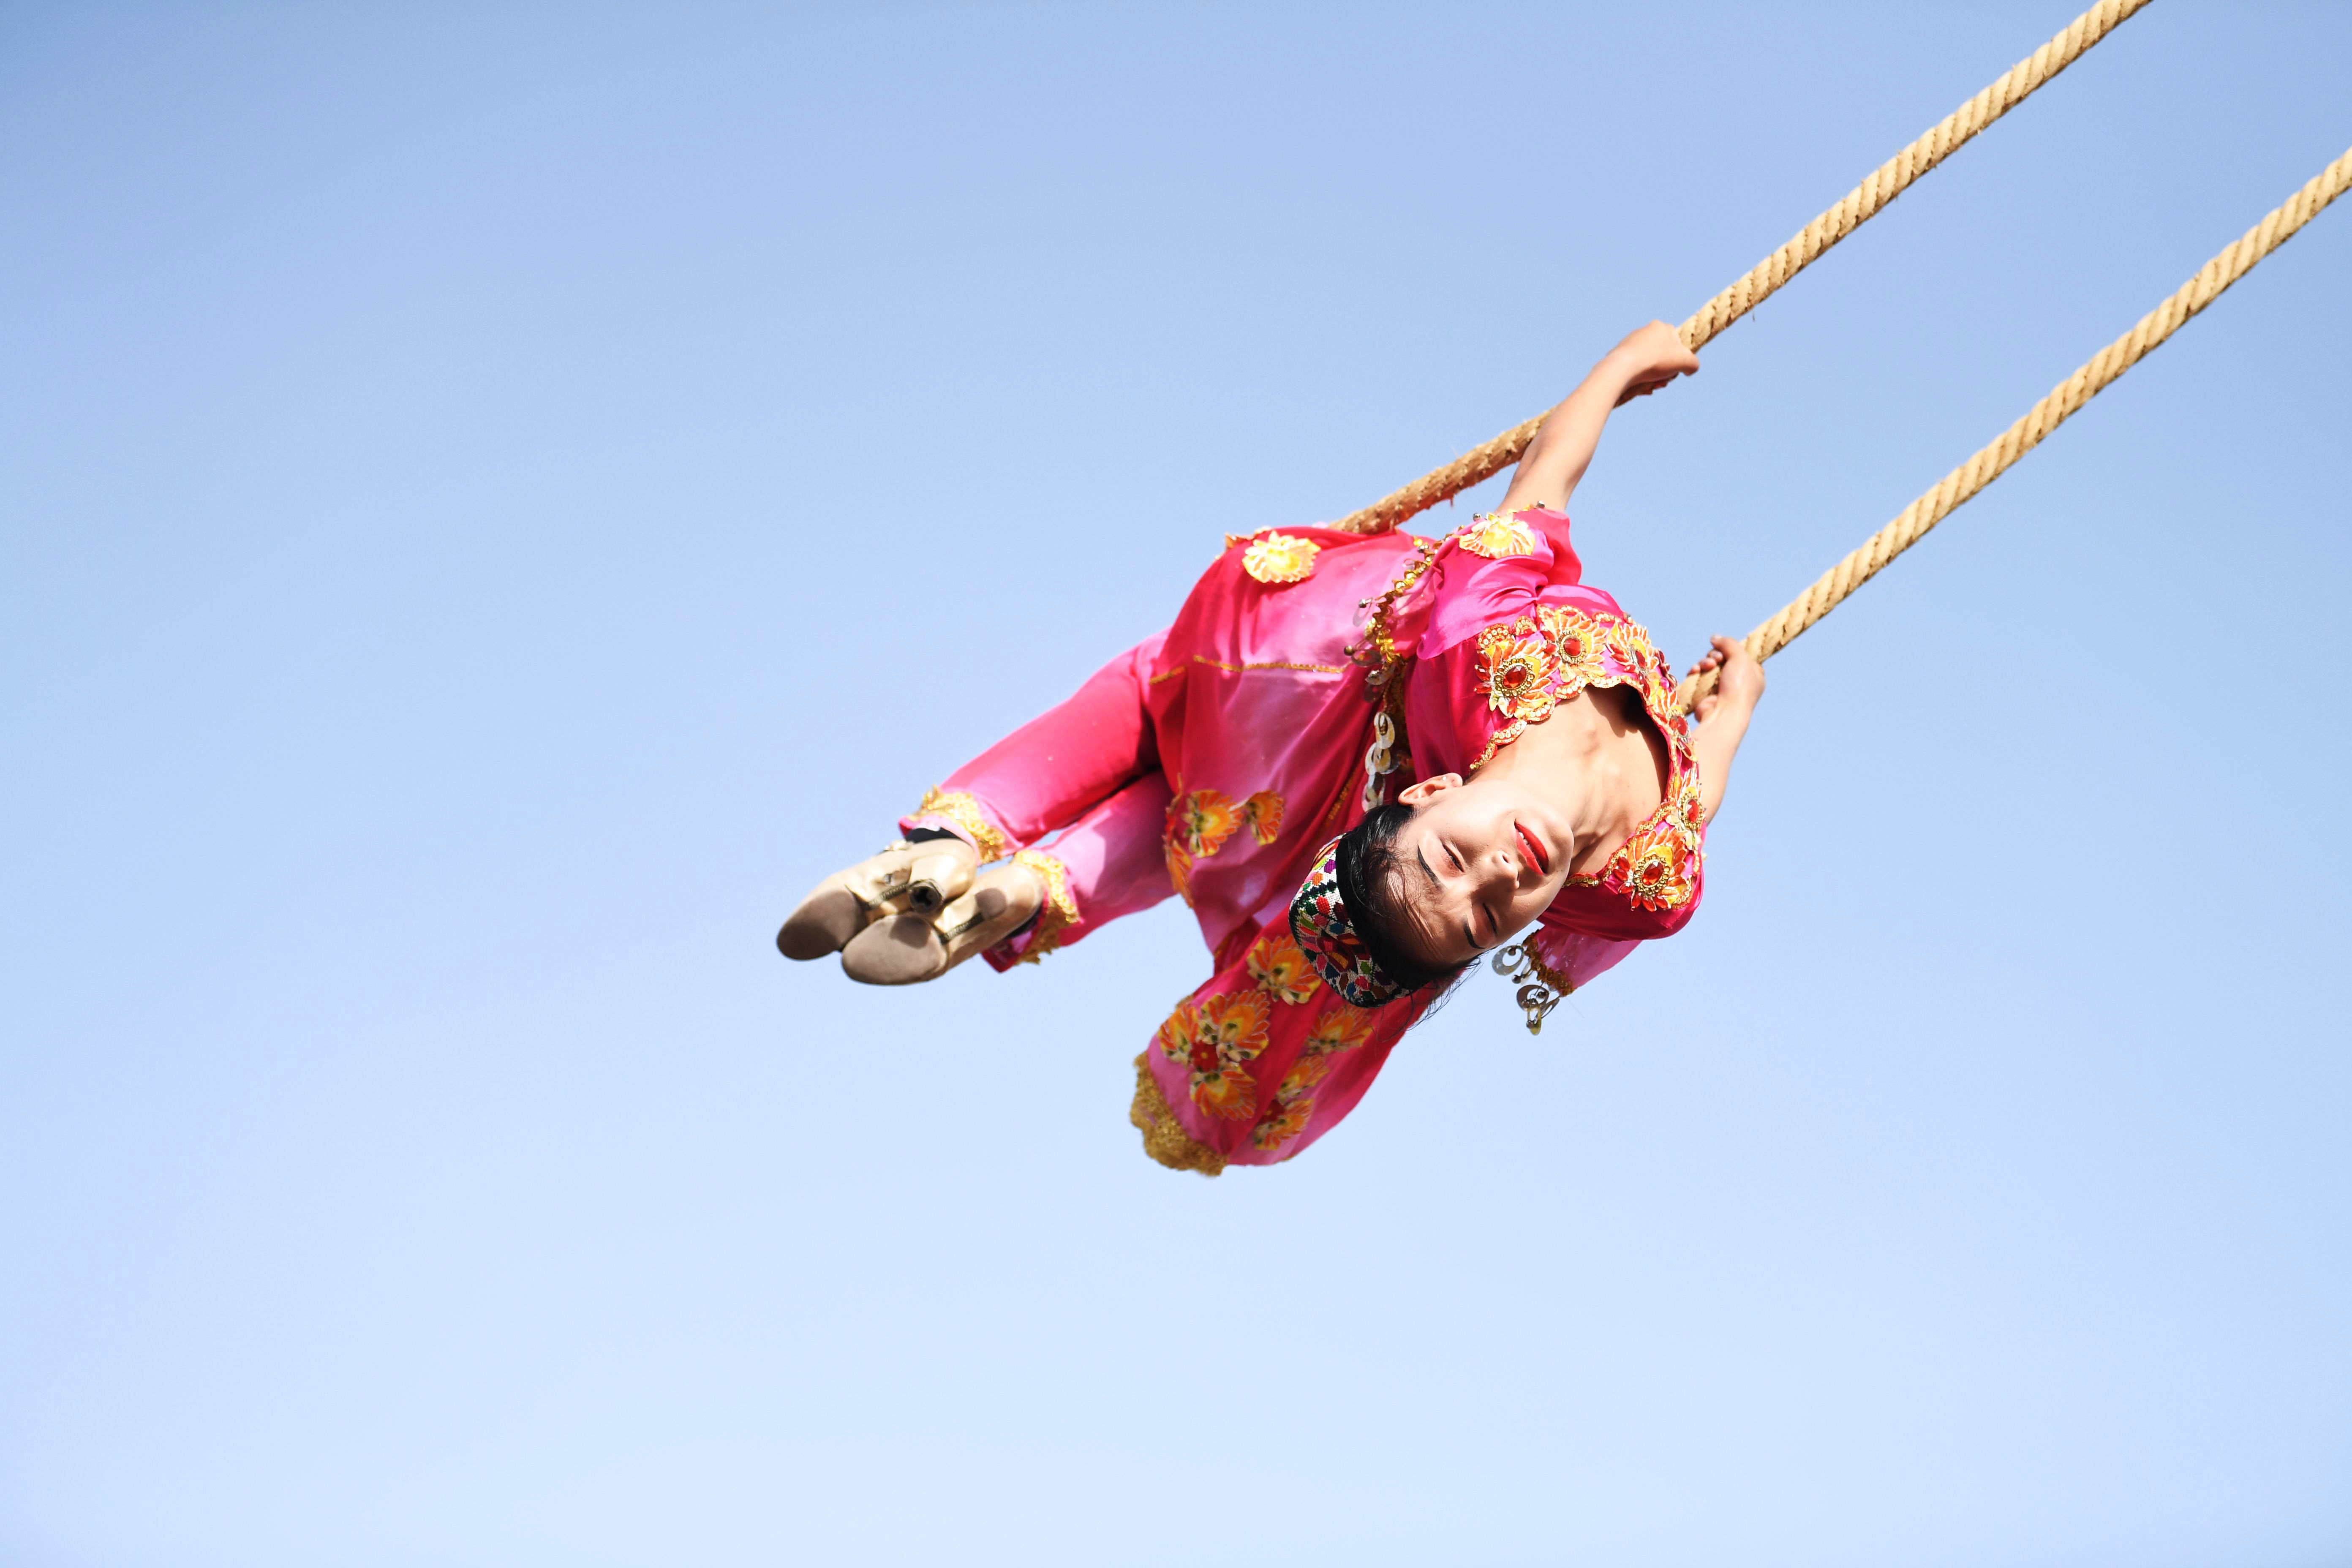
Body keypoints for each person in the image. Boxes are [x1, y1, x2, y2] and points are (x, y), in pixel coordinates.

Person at [778, 322, 1766, 1174]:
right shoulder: (1649, 882)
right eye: (1481, 918)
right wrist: (1737, 706)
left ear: (1433, 792)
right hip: (1318, 760)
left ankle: (955, 841)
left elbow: (1547, 480)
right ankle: (1029, 889)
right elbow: (1699, 800)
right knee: (1182, 785)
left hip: (1305, 687)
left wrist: (1617, 368)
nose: (1498, 877)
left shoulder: (1480, 639)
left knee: (1159, 701)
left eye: (1458, 871)